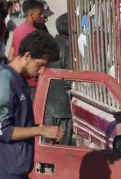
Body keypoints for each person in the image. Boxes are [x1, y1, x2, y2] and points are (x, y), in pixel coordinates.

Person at [0, 30, 63, 179]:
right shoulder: (6, 82)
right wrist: (41, 130)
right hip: (4, 172)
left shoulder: (19, 79)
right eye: (40, 65)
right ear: (27, 56)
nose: (41, 72)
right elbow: (2, 131)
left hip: (16, 169)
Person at [43, 14, 73, 146]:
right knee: (62, 146)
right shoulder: (68, 47)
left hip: (46, 102)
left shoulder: (48, 43)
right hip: (63, 107)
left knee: (46, 145)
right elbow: (69, 78)